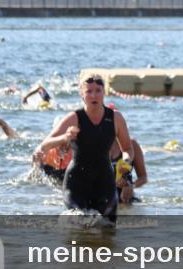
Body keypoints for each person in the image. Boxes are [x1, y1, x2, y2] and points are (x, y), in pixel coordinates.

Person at [39, 75, 132, 223]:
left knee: (107, 230)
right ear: (81, 94)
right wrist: (65, 138)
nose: (94, 95)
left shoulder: (115, 118)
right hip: (76, 184)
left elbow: (127, 148)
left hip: (105, 183)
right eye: (89, 91)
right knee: (81, 223)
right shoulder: (74, 118)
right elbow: (45, 144)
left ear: (104, 92)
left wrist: (125, 162)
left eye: (98, 90)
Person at [109, 138, 148, 204]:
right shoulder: (96, 144)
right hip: (103, 200)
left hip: (127, 201)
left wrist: (132, 186)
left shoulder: (132, 144)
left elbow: (143, 177)